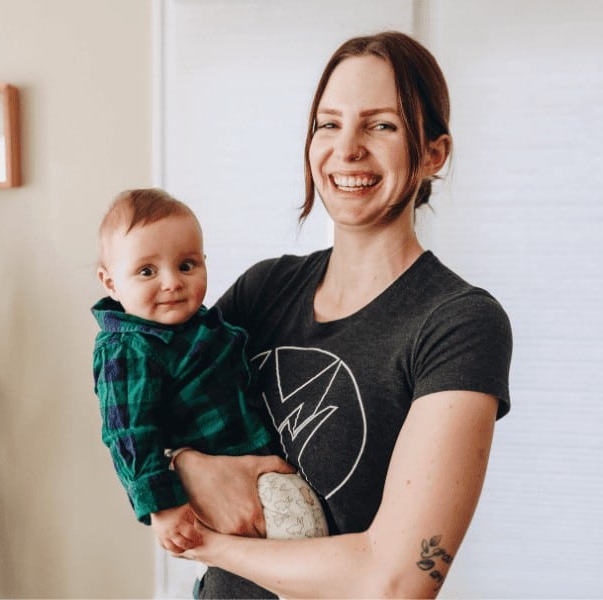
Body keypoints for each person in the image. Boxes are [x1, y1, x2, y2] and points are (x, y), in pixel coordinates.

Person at [169, 31, 513, 599]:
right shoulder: (263, 290)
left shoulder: (459, 324)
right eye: (329, 124)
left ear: (434, 153)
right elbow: (139, 403)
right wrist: (185, 461)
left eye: (382, 125)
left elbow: (398, 581)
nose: (347, 148)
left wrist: (201, 541)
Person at [91, 188, 328, 554]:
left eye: (186, 265)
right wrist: (162, 507)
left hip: (248, 463)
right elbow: (129, 434)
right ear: (110, 282)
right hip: (219, 483)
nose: (172, 282)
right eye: (147, 271)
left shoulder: (199, 323)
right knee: (304, 533)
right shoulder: (128, 349)